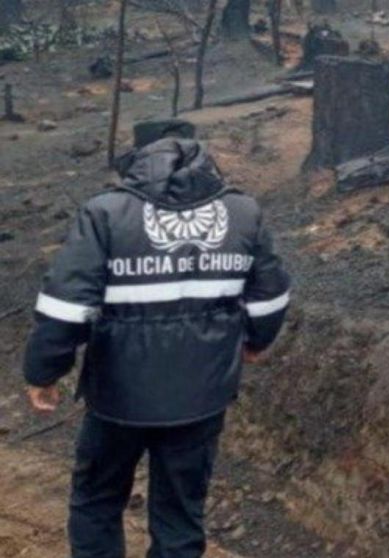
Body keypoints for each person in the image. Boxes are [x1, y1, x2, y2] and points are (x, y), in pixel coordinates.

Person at [22, 124, 291, 558]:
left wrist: (44, 371)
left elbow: (66, 305)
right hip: (201, 397)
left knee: (97, 499)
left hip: (117, 398)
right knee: (181, 513)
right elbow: (271, 296)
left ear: (137, 163)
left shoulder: (106, 213)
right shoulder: (244, 212)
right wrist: (257, 341)